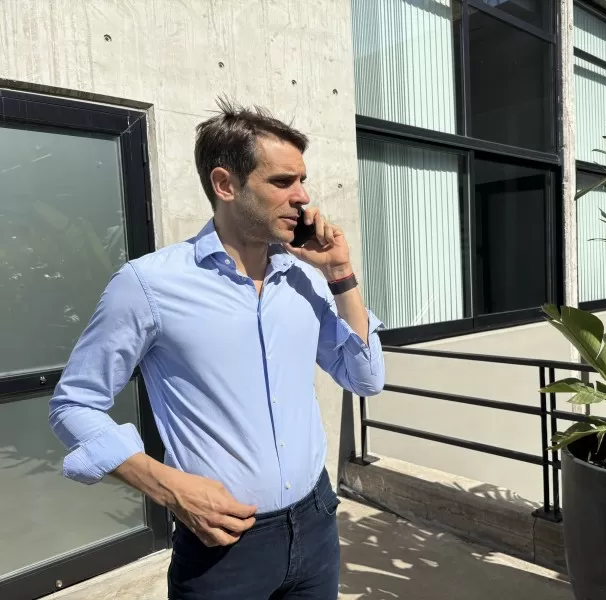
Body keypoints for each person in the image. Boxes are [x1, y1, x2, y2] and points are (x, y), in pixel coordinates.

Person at [49, 98, 385, 599]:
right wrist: (167, 486)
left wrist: (339, 273)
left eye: (302, 180)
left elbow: (365, 378)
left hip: (315, 522)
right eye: (283, 181)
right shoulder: (148, 285)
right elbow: (74, 403)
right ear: (225, 184)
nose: (303, 197)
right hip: (224, 547)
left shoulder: (304, 279)